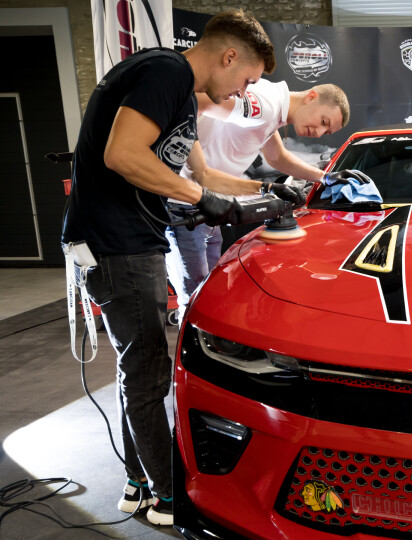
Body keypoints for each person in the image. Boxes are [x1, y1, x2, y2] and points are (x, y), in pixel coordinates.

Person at [60, 10, 282, 526]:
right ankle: (167, 497)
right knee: (147, 374)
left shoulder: (178, 93)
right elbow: (121, 154)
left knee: (137, 369)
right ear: (229, 56)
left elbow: (202, 173)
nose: (238, 94)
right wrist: (202, 198)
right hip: (117, 244)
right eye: (245, 80)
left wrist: (267, 191)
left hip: (127, 240)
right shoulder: (166, 73)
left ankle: (138, 483)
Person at [166, 80, 350, 305]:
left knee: (208, 292)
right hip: (185, 202)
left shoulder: (273, 111)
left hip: (210, 202)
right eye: (323, 121)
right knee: (197, 300)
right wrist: (196, 167)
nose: (320, 132)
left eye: (327, 131)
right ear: (312, 97)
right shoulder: (266, 105)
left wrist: (324, 177)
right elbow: (194, 103)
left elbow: (276, 157)